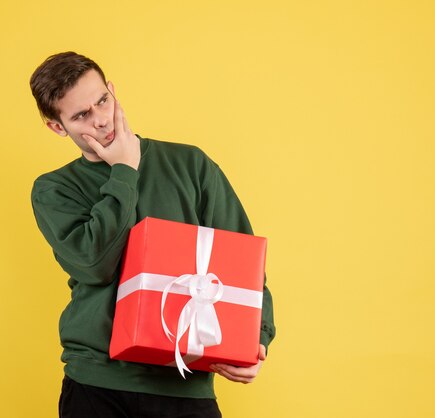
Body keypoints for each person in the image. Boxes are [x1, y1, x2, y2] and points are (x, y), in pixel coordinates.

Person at [29, 51, 276, 418]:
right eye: (81, 115)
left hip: (183, 381)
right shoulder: (55, 189)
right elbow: (96, 265)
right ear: (57, 127)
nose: (101, 120)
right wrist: (125, 171)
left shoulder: (191, 165)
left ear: (112, 91)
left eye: (103, 100)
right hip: (98, 385)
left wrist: (256, 339)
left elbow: (242, 260)